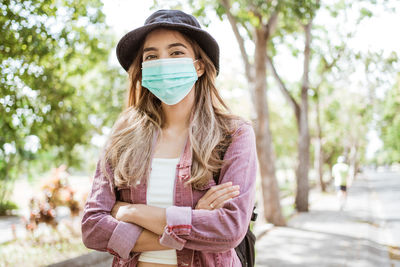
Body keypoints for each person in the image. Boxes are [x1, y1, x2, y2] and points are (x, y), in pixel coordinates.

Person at [81, 9, 258, 267]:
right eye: (151, 56)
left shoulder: (233, 134)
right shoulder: (122, 138)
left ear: (199, 66)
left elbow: (229, 229)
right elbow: (92, 228)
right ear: (142, 69)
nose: (163, 62)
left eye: (176, 52)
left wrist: (131, 211)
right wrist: (192, 220)